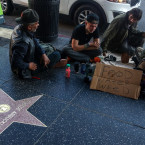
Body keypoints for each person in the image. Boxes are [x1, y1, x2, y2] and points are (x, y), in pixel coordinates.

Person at [9, 9, 64, 79]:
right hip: (25, 69)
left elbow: (34, 40)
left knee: (52, 50)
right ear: (29, 27)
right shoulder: (22, 44)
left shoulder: (22, 27)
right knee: (57, 55)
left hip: (28, 56)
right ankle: (54, 64)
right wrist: (28, 65)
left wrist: (43, 54)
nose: (38, 24)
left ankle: (51, 61)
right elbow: (15, 62)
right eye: (37, 23)